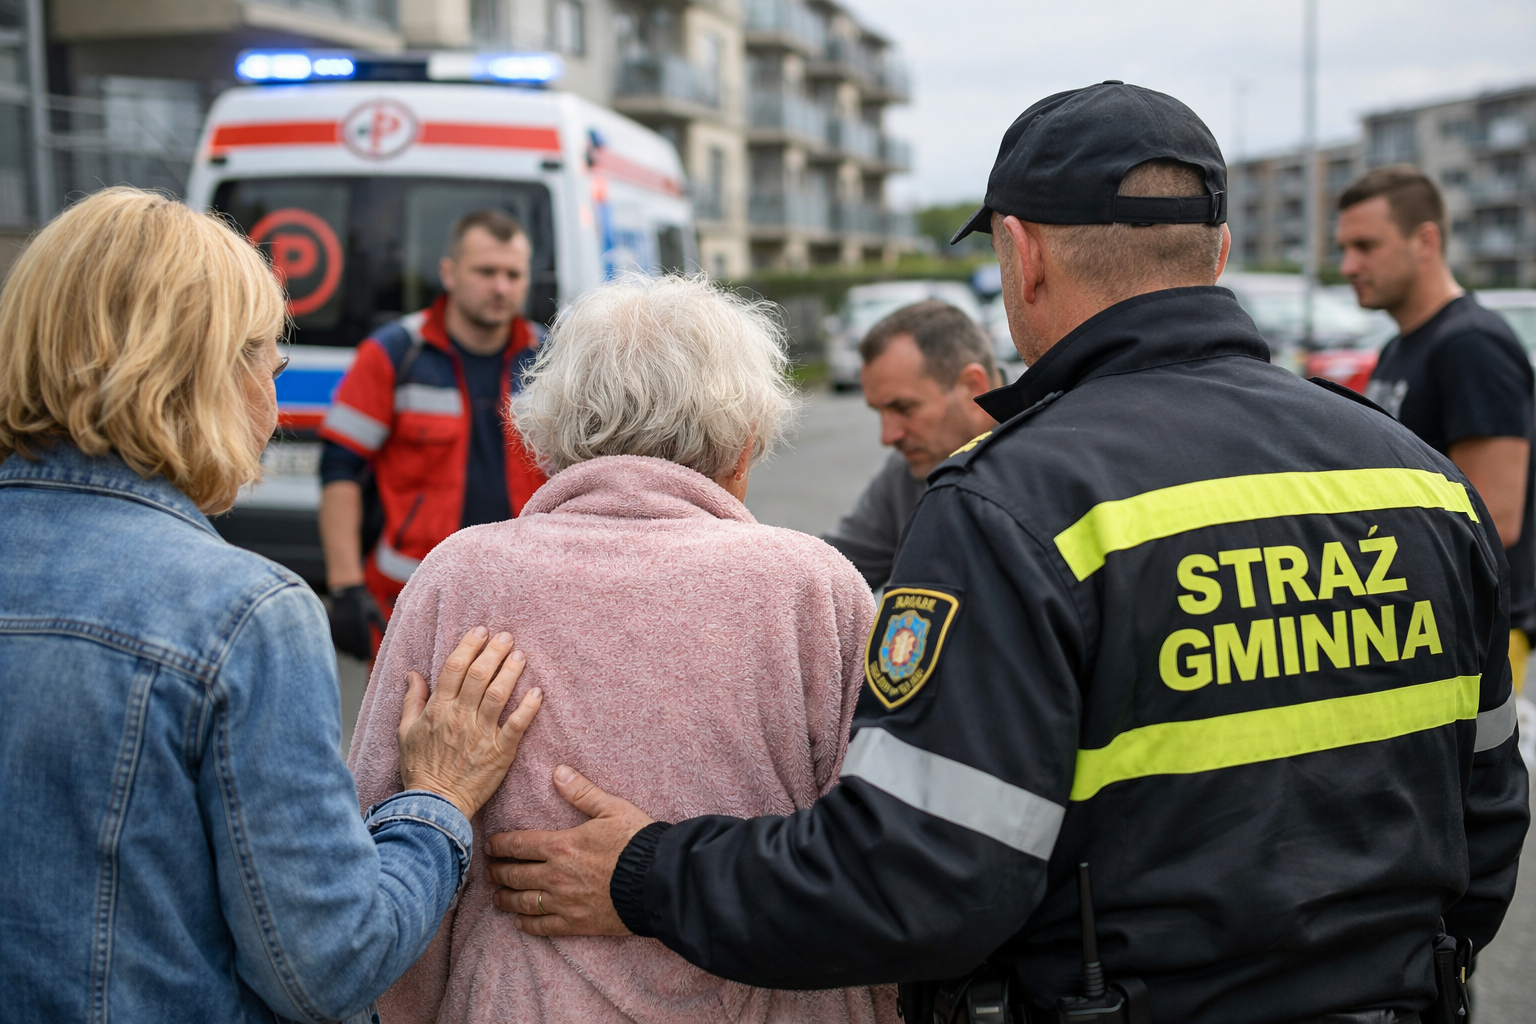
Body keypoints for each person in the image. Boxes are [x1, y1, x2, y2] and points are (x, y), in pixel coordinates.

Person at [480, 84, 1529, 1024]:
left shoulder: (1011, 502)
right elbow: (1485, 814)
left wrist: (649, 870)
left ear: (1021, 254)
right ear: (1213, 254)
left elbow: (913, 882)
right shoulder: (1421, 481)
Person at [0, 188, 545, 1023]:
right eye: (268, 360)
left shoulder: (531, 351)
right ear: (199, 369)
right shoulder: (239, 616)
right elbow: (330, 963)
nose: (276, 400)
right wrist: (438, 797)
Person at [346, 275, 894, 1024]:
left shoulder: (461, 576)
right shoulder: (812, 586)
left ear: (551, 432)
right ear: (742, 443)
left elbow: (378, 835)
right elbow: (876, 854)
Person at [1341, 165, 1536, 699]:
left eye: (1365, 246)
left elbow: (1495, 514)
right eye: (1344, 247)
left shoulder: (1471, 345)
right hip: (1412, 619)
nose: (1348, 266)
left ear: (1425, 240)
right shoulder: (1400, 348)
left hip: (1470, 627)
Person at [319, 208, 547, 660]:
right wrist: (344, 586)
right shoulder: (394, 353)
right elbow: (340, 466)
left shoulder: (552, 361)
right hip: (414, 600)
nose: (501, 287)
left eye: (513, 274)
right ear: (449, 272)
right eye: (486, 271)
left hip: (529, 599)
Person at [823, 300, 1001, 588]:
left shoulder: (1044, 457)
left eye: (904, 408)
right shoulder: (907, 472)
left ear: (973, 387)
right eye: (880, 412)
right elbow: (829, 573)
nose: (888, 436)